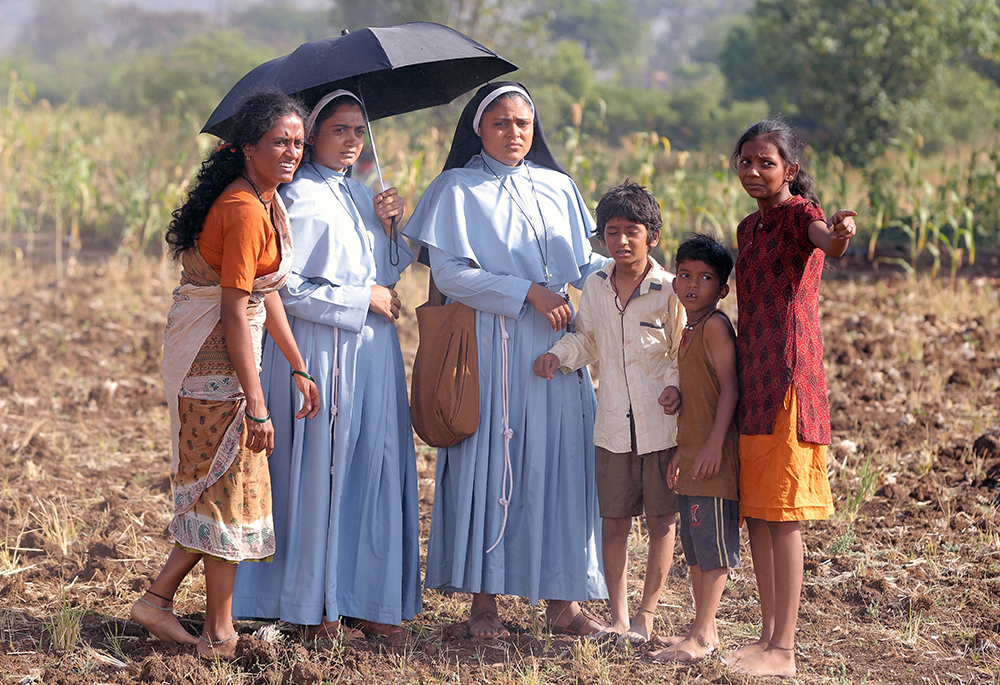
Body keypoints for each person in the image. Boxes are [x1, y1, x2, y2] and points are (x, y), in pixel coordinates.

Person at [402, 82, 611, 639]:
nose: (513, 133)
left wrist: (635, 278)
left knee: (563, 464)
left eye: (522, 123)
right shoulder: (456, 188)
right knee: (490, 463)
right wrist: (528, 293)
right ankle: (484, 601)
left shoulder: (558, 185)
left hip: (559, 347)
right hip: (490, 346)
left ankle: (564, 603)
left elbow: (585, 261)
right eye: (500, 122)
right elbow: (449, 275)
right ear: (478, 128)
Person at [131, 90, 320, 660]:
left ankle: (157, 600)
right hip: (213, 372)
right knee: (226, 498)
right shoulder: (242, 210)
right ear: (246, 148)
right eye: (279, 142)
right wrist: (258, 404)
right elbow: (235, 311)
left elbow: (268, 295)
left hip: (232, 365)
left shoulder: (265, 202)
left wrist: (298, 365)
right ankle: (219, 632)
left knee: (220, 492)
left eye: (297, 143)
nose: (291, 152)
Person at [231, 90, 421, 639]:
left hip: (372, 354)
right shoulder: (292, 197)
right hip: (315, 350)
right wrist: (361, 299)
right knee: (321, 473)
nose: (352, 141)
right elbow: (281, 288)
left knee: (372, 466)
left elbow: (388, 274)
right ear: (311, 135)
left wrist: (391, 227)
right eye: (339, 130)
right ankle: (313, 606)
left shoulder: (363, 194)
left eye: (359, 130)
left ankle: (367, 599)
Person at [725, 118, 856, 677]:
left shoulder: (802, 217)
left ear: (791, 170)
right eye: (746, 162)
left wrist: (843, 233)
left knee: (785, 518)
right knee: (759, 514)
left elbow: (830, 242)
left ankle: (785, 649)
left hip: (788, 382)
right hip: (753, 384)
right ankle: (765, 637)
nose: (754, 171)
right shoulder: (746, 229)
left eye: (766, 163)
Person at [533, 181, 683, 644]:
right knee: (614, 524)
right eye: (611, 232)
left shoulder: (671, 290)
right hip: (613, 428)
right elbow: (588, 339)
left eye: (631, 231)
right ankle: (618, 618)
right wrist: (559, 355)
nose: (620, 241)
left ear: (652, 237)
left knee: (661, 523)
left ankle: (646, 615)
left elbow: (684, 351)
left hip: (662, 430)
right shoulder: (595, 288)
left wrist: (676, 386)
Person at [650, 233, 739, 662]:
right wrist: (682, 452)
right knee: (696, 547)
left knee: (712, 548)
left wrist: (713, 447)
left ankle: (702, 637)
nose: (691, 284)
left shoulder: (716, 326)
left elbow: (730, 390)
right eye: (684, 274)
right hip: (694, 457)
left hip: (714, 461)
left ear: (721, 290)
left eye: (705, 278)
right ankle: (702, 630)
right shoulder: (688, 329)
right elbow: (696, 397)